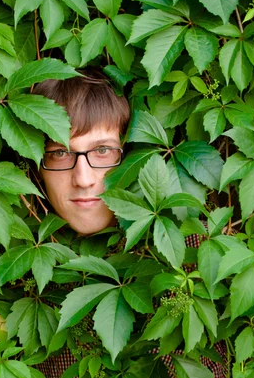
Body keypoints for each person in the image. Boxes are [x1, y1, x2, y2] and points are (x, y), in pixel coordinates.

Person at [31, 70, 226, 378]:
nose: (83, 179)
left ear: (131, 155)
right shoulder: (26, 274)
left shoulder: (189, 249)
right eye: (59, 153)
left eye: (103, 150)